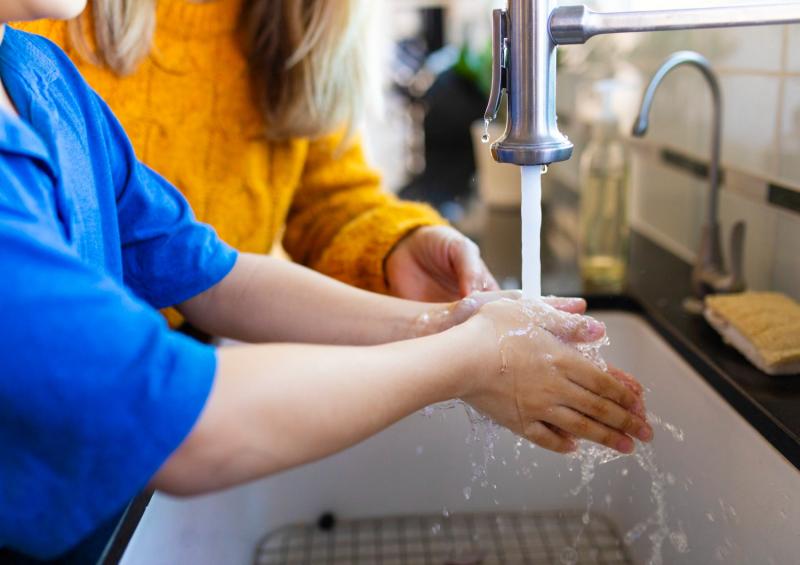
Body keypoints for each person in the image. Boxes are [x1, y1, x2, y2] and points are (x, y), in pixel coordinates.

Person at [0, 0, 652, 560]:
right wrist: (470, 357)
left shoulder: (42, 79)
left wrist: (448, 323)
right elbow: (181, 423)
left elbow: (205, 270)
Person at [17, 0, 500, 315]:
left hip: (200, 356)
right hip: (75, 371)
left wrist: (399, 249)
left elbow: (325, 199)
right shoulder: (40, 15)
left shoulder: (308, 15)